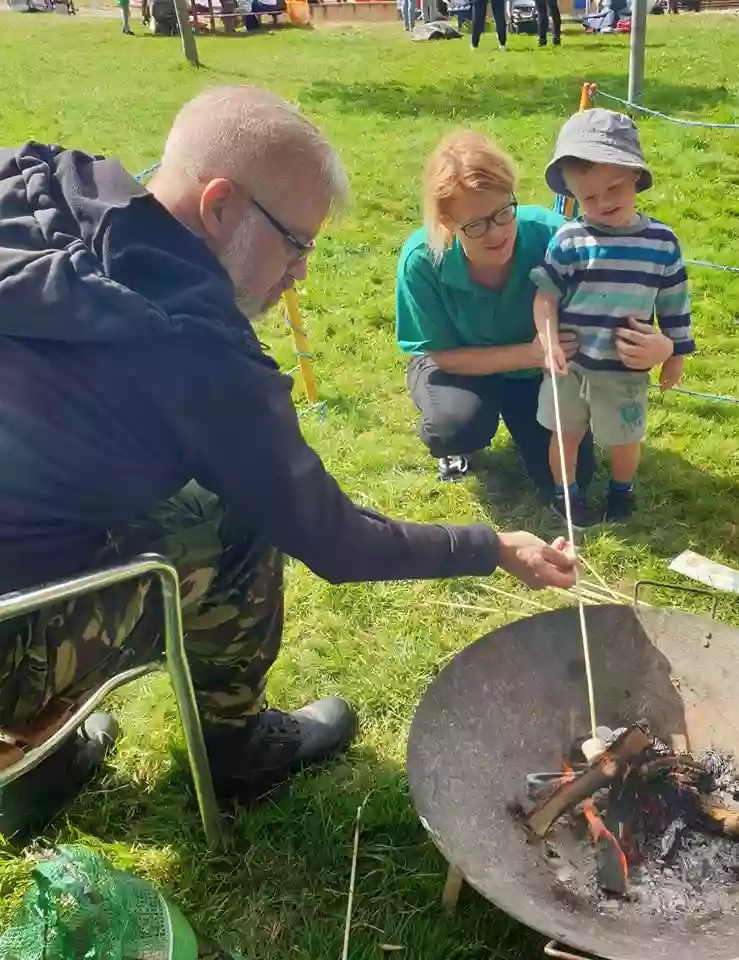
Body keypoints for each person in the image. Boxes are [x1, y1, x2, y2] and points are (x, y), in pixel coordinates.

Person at [0, 87, 577, 837]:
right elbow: (332, 537)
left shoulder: (34, 179)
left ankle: (41, 764)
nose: (300, 272)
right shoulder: (197, 351)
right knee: (237, 527)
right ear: (218, 205)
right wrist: (492, 545)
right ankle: (231, 747)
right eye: (296, 243)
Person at [396, 130, 676, 494]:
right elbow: (444, 356)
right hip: (462, 364)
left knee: (574, 473)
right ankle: (455, 443)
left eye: (502, 213)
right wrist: (529, 353)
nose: (496, 233)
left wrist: (662, 346)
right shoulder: (422, 261)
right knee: (455, 426)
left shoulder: (553, 235)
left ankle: (519, 415)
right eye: (476, 225)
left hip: (541, 370)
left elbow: (622, 282)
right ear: (448, 223)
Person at [532, 109, 694, 527]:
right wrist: (548, 342)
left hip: (625, 369)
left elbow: (674, 301)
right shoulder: (569, 239)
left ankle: (621, 492)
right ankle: (565, 496)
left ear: (636, 176)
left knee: (624, 440)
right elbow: (545, 297)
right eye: (588, 197)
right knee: (563, 437)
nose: (603, 203)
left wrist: (674, 354)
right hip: (569, 368)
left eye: (614, 187)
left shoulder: (661, 243)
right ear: (571, 194)